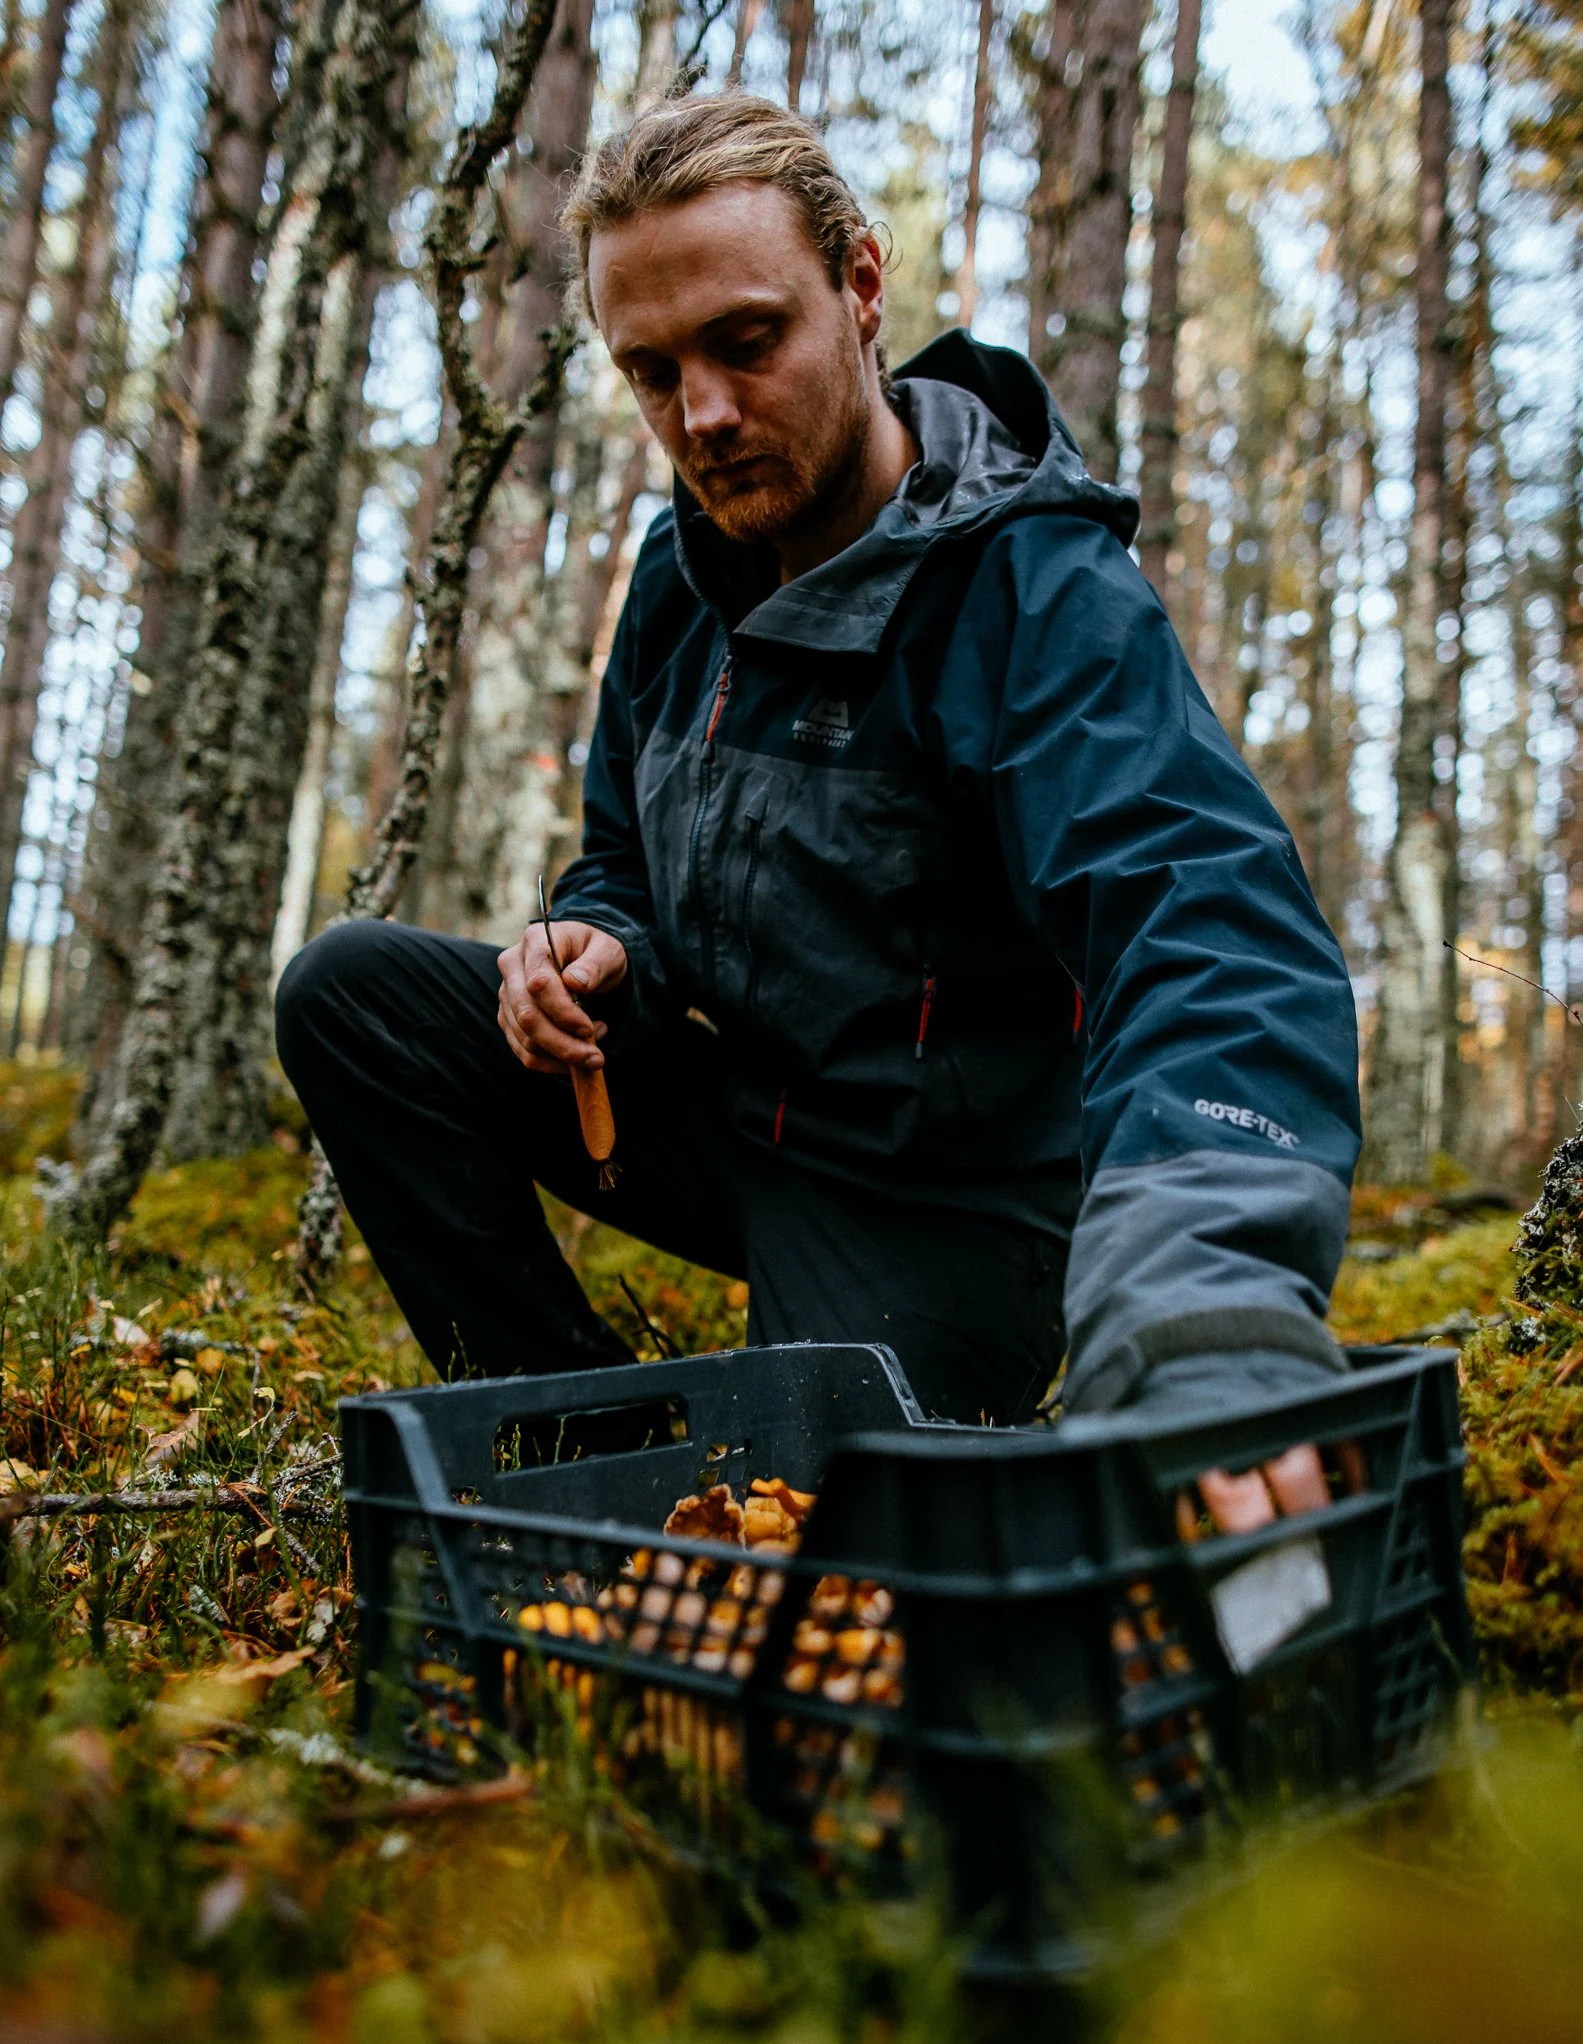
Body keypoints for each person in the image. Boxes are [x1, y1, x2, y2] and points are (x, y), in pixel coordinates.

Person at [276, 93, 1360, 1468]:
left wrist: (1210, 1303)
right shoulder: (684, 572)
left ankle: (794, 1436)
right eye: (653, 373)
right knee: (352, 994)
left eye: (745, 343)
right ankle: (596, 1448)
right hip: (736, 1116)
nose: (705, 416)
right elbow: (621, 851)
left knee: (827, 1526)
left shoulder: (1032, 592)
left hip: (946, 1206)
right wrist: (596, 937)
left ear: (858, 284)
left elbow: (1204, 931)